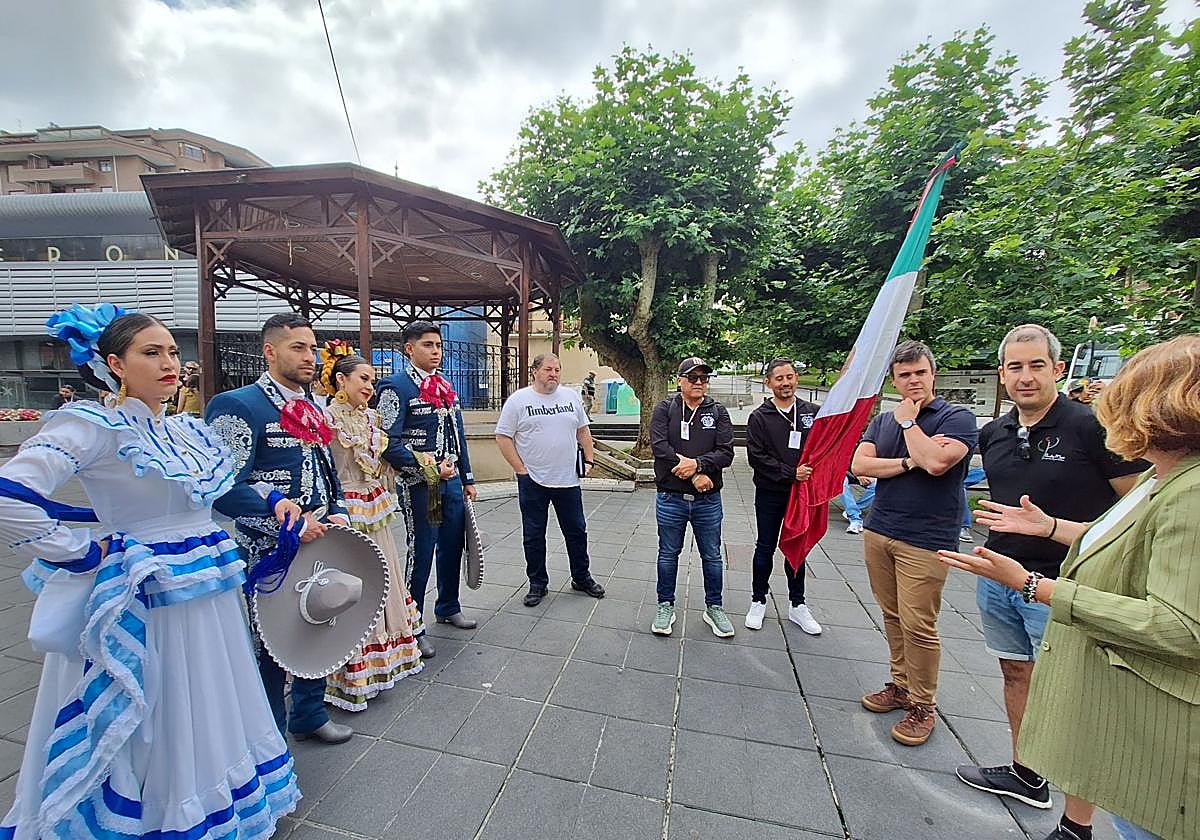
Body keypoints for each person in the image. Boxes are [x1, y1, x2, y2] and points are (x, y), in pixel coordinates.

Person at [0, 304, 299, 838]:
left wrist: (271, 497)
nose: (169, 363)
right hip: (147, 590)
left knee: (209, 695)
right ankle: (160, 812)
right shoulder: (92, 425)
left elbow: (208, 493)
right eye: (151, 352)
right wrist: (80, 553)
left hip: (204, 587)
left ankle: (213, 800)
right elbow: (10, 495)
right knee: (160, 702)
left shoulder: (184, 429)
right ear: (114, 363)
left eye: (171, 352)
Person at [940, 334, 1200, 840]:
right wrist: (1050, 527)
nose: (1025, 376)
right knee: (1020, 675)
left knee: (1086, 705)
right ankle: (1027, 773)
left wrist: (1036, 583)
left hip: (1068, 595)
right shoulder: (996, 432)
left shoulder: (1106, 440)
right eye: (1013, 366)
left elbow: (1179, 620)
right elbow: (1123, 525)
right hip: (1006, 576)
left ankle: (1075, 822)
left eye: (1036, 365)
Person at [207, 313, 355, 745]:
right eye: (298, 348)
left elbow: (327, 471)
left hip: (324, 537)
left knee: (321, 623)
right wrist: (285, 518)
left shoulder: (312, 405)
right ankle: (268, 740)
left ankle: (308, 713)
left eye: (313, 348)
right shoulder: (239, 404)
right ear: (269, 351)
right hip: (268, 550)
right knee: (271, 645)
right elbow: (221, 488)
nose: (310, 357)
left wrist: (340, 510)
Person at [850, 340, 978, 746]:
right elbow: (860, 465)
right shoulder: (883, 421)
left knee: (919, 623)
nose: (913, 381)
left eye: (920, 373)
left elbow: (939, 463)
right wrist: (909, 461)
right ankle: (900, 685)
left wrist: (911, 427)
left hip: (926, 539)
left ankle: (923, 704)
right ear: (894, 378)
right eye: (904, 375)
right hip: (881, 528)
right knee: (892, 616)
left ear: (932, 374)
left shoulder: (956, 418)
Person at [319, 341, 426, 709]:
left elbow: (383, 463)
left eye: (373, 380)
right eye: (363, 378)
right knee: (352, 579)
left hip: (374, 503)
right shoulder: (326, 419)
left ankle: (385, 658)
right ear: (340, 379)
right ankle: (348, 667)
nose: (369, 386)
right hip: (345, 506)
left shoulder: (372, 419)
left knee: (383, 574)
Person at [375, 320, 478, 653]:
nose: (436, 351)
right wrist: (429, 470)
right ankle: (412, 624)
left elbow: (458, 435)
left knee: (452, 545)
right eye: (428, 345)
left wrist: (467, 477)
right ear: (409, 348)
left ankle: (448, 606)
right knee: (422, 552)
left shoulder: (445, 385)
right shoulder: (396, 386)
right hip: (422, 484)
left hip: (450, 483)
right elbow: (388, 442)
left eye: (438, 345)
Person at [495, 353, 606, 607]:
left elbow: (583, 429)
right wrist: (520, 469)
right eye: (548, 369)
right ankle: (537, 583)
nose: (553, 374)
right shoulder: (519, 401)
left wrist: (589, 460)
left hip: (567, 480)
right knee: (534, 534)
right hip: (533, 480)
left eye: (557, 369)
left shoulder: (570, 397)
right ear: (535, 371)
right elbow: (503, 437)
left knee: (576, 531)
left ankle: (581, 577)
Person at [649, 357, 735, 638]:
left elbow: (726, 452)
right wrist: (693, 473)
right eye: (693, 377)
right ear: (679, 381)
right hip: (671, 497)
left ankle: (714, 607)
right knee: (668, 554)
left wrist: (698, 466)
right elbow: (660, 446)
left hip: (707, 500)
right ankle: (665, 605)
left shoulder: (718, 411)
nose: (699, 382)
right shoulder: (665, 409)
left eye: (703, 378)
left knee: (711, 555)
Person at [745, 357, 822, 634]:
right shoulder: (759, 417)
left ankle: (797, 604)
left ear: (796, 379)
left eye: (789, 377)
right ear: (768, 383)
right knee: (765, 546)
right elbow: (757, 457)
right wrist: (791, 472)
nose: (785, 383)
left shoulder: (813, 413)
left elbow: (824, 447)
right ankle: (758, 599)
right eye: (779, 378)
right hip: (771, 493)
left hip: (801, 495)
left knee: (797, 547)